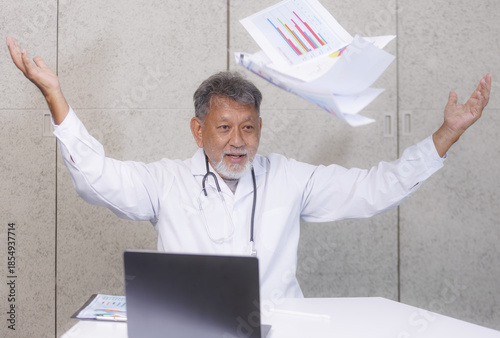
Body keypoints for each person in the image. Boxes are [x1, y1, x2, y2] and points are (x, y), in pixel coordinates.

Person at [6, 36, 491, 303]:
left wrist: (446, 134)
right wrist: (55, 97)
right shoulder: (165, 181)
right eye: (223, 128)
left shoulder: (289, 177)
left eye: (249, 128)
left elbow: (372, 189)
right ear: (198, 131)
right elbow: (97, 178)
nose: (238, 142)